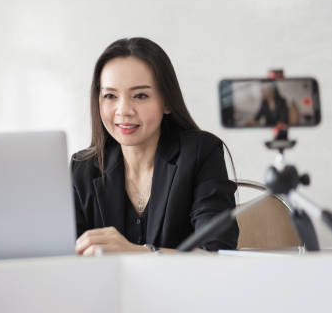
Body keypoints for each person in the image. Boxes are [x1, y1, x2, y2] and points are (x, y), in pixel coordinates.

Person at [70, 38, 239, 255]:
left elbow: (216, 252)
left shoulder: (200, 152)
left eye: (140, 95)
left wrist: (139, 253)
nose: (123, 110)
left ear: (167, 102)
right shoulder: (82, 168)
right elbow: (67, 257)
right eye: (110, 96)